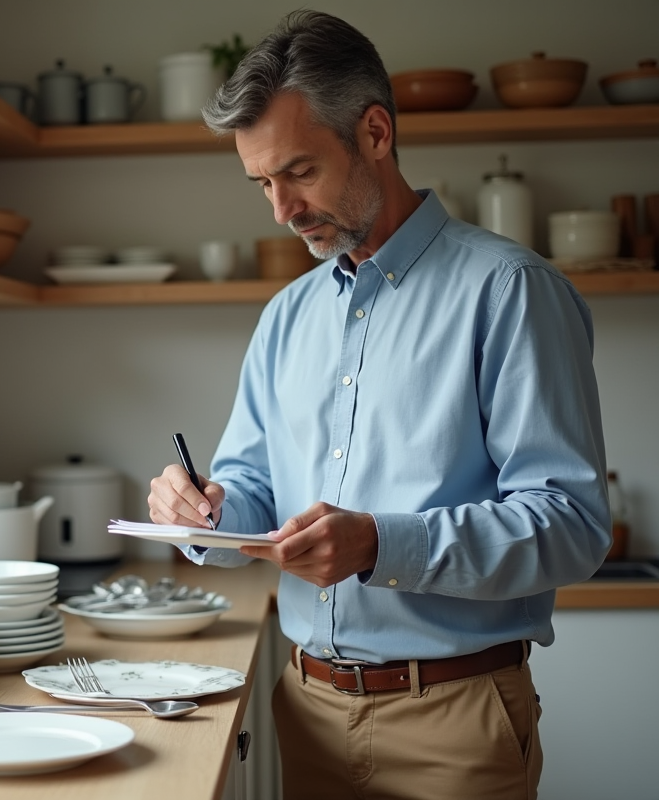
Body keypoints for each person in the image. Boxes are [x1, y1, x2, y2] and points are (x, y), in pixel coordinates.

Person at [146, 10, 611, 800]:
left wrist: (377, 547)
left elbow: (571, 525)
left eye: (299, 172)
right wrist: (204, 511)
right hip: (308, 708)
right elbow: (253, 492)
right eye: (262, 182)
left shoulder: (509, 292)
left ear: (374, 133)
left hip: (456, 723)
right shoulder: (286, 316)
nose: (281, 210)